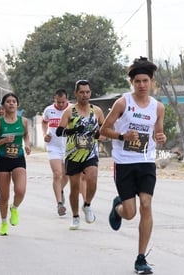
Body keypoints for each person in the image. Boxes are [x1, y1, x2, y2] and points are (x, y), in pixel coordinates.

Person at [100, 57, 167, 274]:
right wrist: (122, 135)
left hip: (146, 162)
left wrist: (161, 136)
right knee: (130, 213)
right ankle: (118, 208)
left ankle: (140, 258)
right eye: (137, 81)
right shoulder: (123, 103)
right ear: (132, 83)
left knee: (146, 204)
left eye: (145, 80)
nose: (141, 85)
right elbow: (103, 130)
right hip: (125, 163)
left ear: (151, 82)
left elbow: (158, 132)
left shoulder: (158, 107)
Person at [56, 80, 105, 230]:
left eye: (87, 92)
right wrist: (73, 130)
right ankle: (75, 216)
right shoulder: (69, 111)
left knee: (93, 179)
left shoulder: (96, 111)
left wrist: (100, 135)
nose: (85, 95)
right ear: (76, 93)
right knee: (75, 187)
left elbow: (104, 128)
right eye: (82, 92)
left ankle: (87, 205)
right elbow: (59, 131)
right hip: (73, 154)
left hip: (90, 152)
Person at [0, 93, 31, 236]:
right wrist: (3, 141)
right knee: (4, 197)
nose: (11, 104)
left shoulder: (23, 121)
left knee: (21, 190)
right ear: (3, 105)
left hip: (18, 158)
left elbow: (26, 135)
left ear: (17, 104)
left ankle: (15, 208)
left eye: (14, 101)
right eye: (8, 102)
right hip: (3, 159)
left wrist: (27, 145)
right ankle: (4, 222)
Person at [42, 88, 70, 216]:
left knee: (66, 176)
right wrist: (44, 134)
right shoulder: (48, 110)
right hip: (53, 146)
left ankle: (60, 190)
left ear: (67, 99)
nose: (60, 105)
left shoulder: (72, 109)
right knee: (57, 174)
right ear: (55, 99)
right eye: (58, 102)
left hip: (69, 146)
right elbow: (44, 122)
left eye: (63, 102)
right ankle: (59, 204)